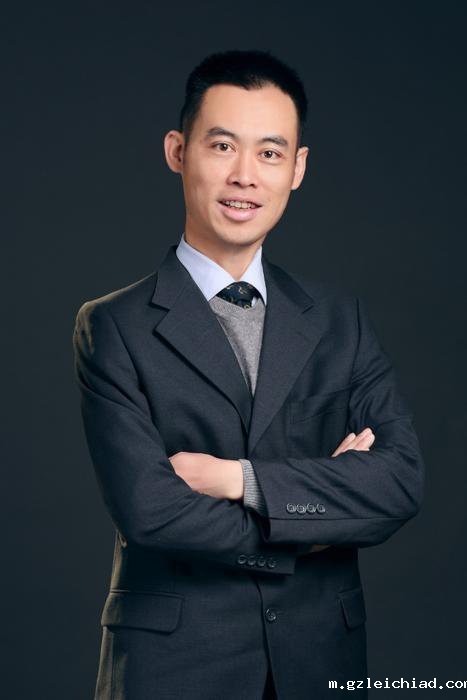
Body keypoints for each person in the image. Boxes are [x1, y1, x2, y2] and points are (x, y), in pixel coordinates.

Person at [72, 49, 425, 700]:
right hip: (176, 668)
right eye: (222, 146)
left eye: (269, 153)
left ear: (297, 169)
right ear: (178, 151)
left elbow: (398, 484)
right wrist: (317, 523)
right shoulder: (113, 325)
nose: (245, 176)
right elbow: (152, 513)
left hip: (321, 660)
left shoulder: (340, 320)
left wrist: (238, 480)